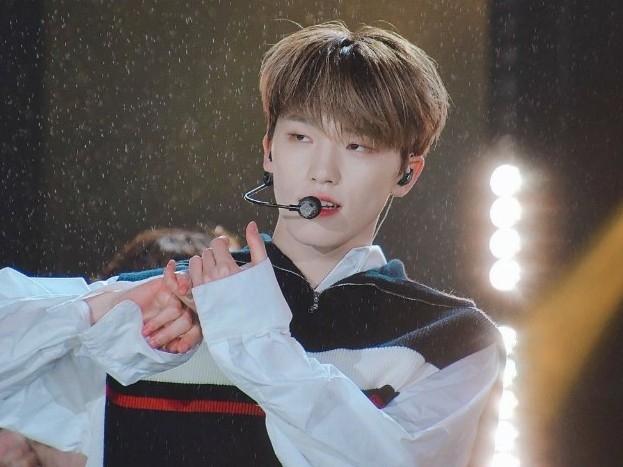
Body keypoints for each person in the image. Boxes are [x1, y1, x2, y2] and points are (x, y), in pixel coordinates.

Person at [0, 21, 505, 466]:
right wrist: (102, 308)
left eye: (357, 145)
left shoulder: (450, 339)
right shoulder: (167, 302)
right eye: (300, 138)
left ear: (407, 172)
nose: (323, 172)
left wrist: (252, 339)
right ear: (268, 151)